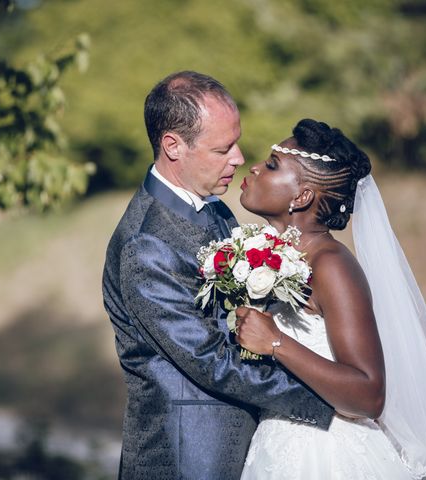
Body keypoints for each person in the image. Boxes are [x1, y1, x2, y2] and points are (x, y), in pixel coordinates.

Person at [102, 73, 334, 479]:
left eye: (236, 142)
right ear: (173, 146)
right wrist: (328, 402)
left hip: (240, 443)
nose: (240, 158)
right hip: (188, 456)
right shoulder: (147, 245)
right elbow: (213, 362)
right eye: (223, 148)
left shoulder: (214, 207)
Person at [235, 119, 426, 479]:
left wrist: (275, 341)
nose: (255, 167)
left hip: (326, 457)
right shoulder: (283, 259)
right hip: (278, 446)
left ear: (302, 197)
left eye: (272, 165)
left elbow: (368, 394)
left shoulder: (331, 265)